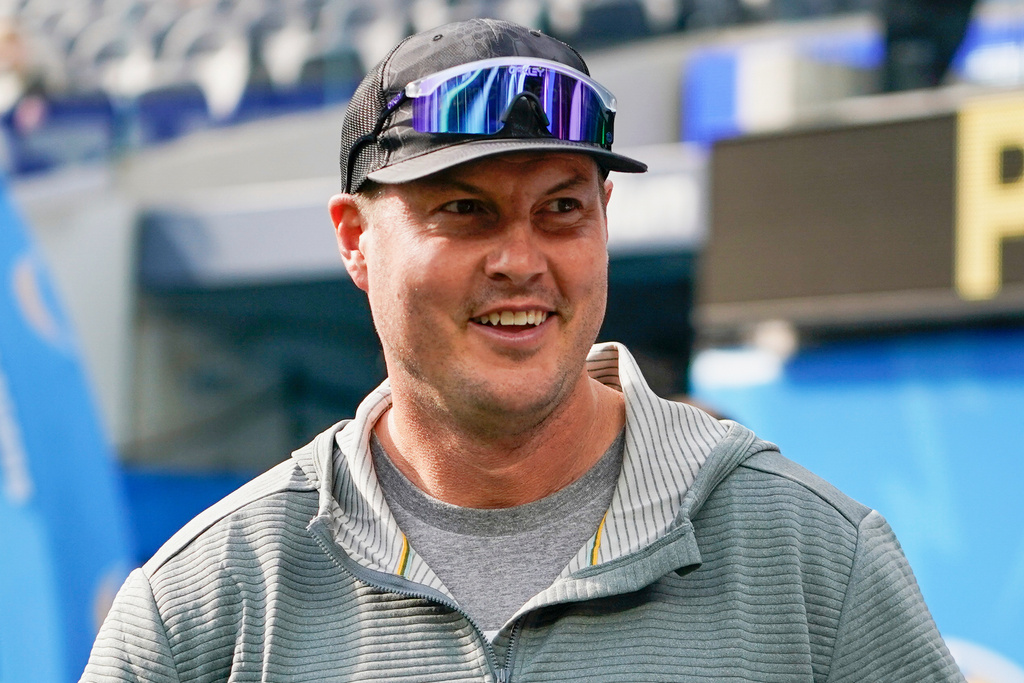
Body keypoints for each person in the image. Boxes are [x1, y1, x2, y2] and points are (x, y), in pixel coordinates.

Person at [81, 18, 965, 682]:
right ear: (354, 238)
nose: (521, 260)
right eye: (464, 210)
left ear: (605, 223)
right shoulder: (208, 603)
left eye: (562, 209)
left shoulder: (813, 560)